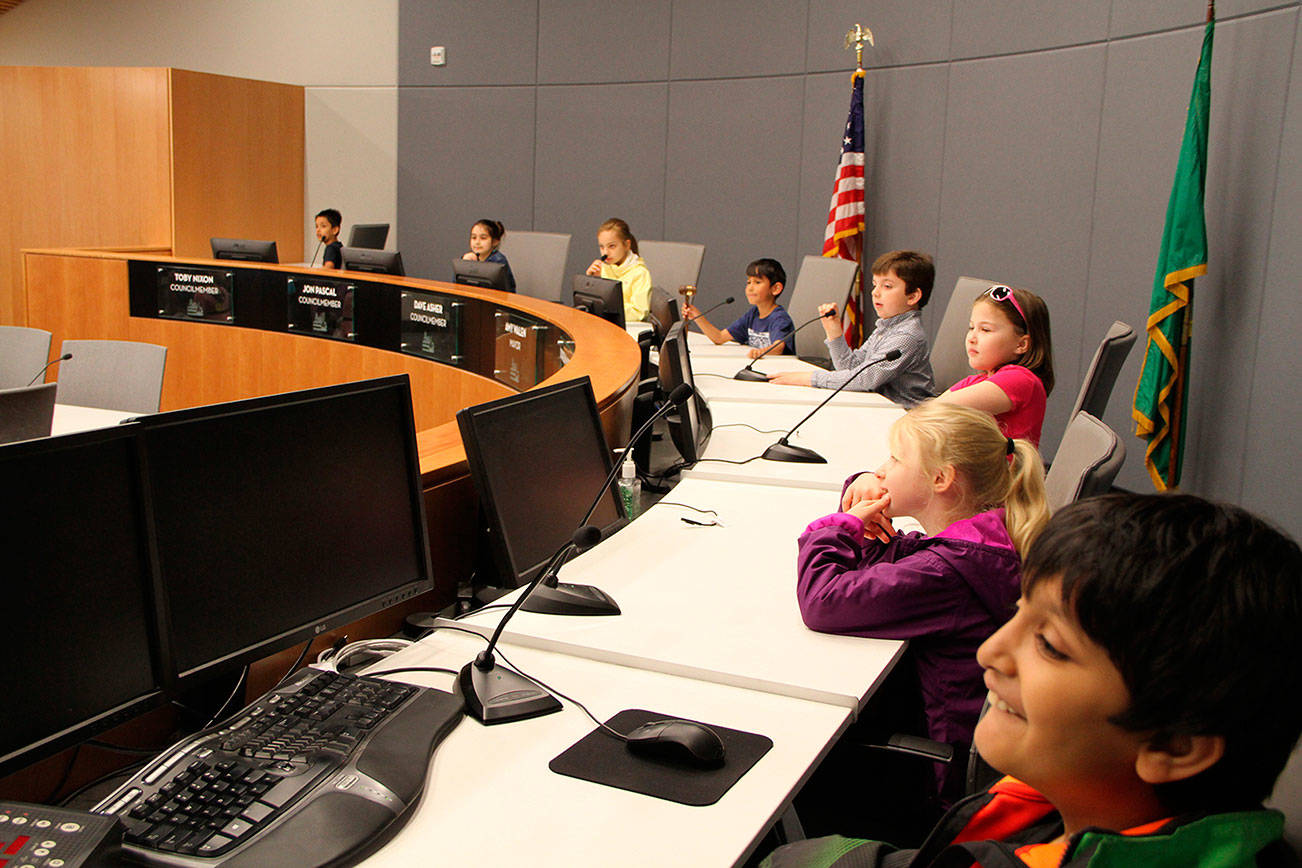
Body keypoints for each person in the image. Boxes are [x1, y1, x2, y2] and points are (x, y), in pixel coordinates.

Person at [766, 492, 1302, 868]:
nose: (989, 651)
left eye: (1049, 644)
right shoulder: (1071, 802)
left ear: (1173, 745)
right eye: (1019, 612)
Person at [797, 401, 1048, 800]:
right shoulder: (978, 535)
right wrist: (862, 507)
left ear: (941, 479)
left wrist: (837, 528)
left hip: (935, 774)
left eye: (895, 459)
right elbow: (897, 562)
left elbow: (823, 602)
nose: (879, 469)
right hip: (947, 730)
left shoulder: (946, 570)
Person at [767, 250, 936, 406]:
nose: (875, 292)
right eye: (874, 284)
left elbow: (863, 379)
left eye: (887, 286)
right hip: (878, 407)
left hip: (906, 417)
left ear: (913, 296)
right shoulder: (886, 326)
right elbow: (851, 367)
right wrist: (834, 332)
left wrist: (810, 378)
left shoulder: (907, 335)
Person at [938, 283, 1054, 445]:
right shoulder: (980, 380)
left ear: (1021, 344)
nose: (971, 337)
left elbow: (936, 412)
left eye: (985, 330)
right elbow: (926, 413)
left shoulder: (1020, 380)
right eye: (971, 327)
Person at [682, 258, 794, 358]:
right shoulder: (752, 315)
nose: (750, 288)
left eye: (757, 282)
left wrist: (760, 352)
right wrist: (696, 316)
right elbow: (719, 337)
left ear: (776, 288)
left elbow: (779, 347)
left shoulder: (780, 318)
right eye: (748, 282)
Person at [585, 217, 651, 323]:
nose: (605, 252)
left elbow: (639, 313)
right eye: (602, 247)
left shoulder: (640, 273)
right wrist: (591, 282)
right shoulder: (602, 269)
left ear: (627, 245)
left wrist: (608, 312)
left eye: (612, 246)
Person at [460, 218, 516, 292]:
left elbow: (487, 289)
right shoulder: (469, 258)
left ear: (495, 241)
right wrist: (464, 264)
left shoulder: (498, 260)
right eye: (474, 238)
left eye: (483, 238)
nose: (477, 242)